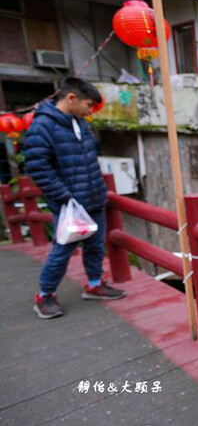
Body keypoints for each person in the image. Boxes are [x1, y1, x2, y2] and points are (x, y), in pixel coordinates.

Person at [24, 78, 125, 319]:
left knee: (95, 245)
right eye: (88, 104)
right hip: (68, 202)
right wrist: (64, 196)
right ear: (72, 98)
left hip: (93, 197)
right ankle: (45, 295)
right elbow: (38, 168)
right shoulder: (42, 127)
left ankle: (94, 283)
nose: (90, 111)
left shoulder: (79, 123)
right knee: (63, 250)